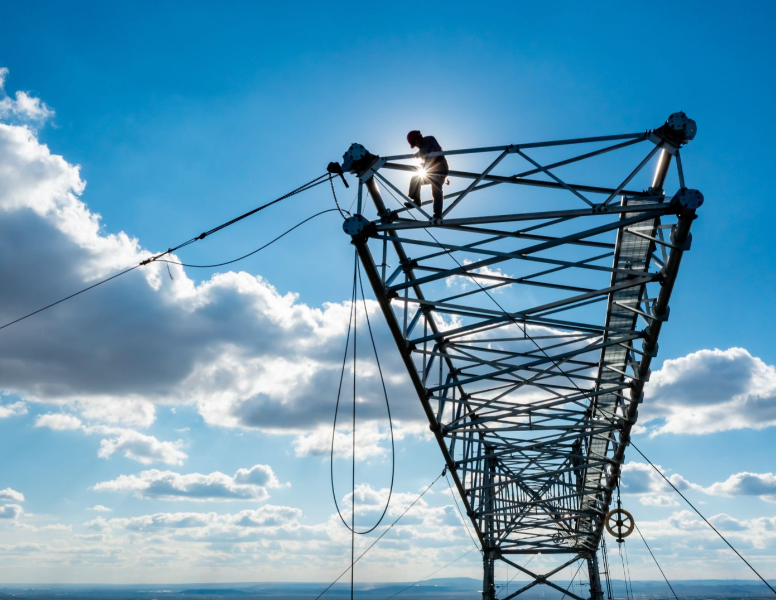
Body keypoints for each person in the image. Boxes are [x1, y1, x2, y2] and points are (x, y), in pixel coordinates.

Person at [406, 130, 449, 223]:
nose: (416, 146)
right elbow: (423, 153)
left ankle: (437, 213)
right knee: (415, 179)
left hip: (440, 168)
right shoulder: (421, 148)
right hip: (432, 171)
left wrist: (425, 165)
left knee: (436, 188)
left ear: (418, 138)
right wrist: (417, 156)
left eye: (415, 143)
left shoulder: (429, 139)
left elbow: (434, 154)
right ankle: (416, 200)